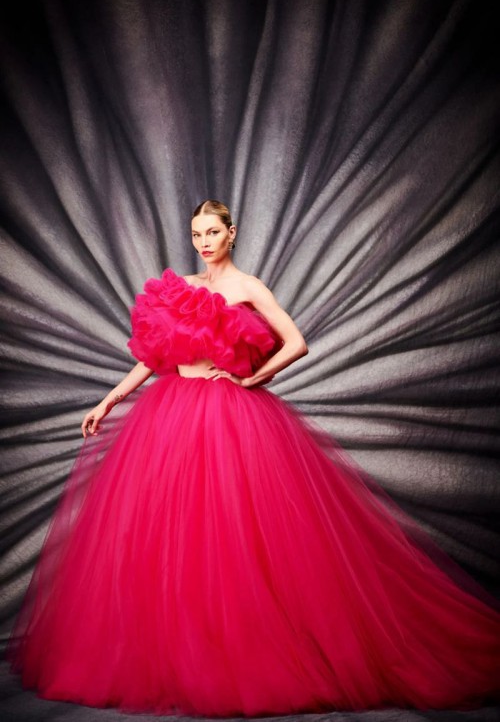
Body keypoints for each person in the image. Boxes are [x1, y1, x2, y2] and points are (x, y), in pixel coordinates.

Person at [7, 200, 500, 716]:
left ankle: (239, 654)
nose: (203, 242)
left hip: (227, 417)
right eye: (197, 233)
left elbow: (296, 343)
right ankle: (182, 653)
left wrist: (249, 380)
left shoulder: (248, 287)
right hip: (170, 414)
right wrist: (109, 400)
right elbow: (152, 358)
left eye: (212, 232)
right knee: (174, 536)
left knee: (231, 532)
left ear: (232, 232)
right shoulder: (180, 288)